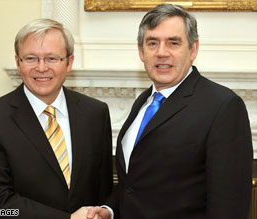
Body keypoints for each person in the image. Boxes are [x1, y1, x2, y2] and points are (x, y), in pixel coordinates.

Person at [87, 4, 253, 219]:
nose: (161, 53)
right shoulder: (143, 103)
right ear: (141, 51)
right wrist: (109, 210)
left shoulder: (223, 106)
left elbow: (230, 205)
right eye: (152, 43)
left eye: (173, 43)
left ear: (193, 49)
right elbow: (135, 184)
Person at [0, 18, 113, 218]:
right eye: (31, 58)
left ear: (69, 63)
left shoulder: (96, 113)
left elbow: (103, 189)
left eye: (52, 58)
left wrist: (105, 211)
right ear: (18, 63)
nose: (42, 67)